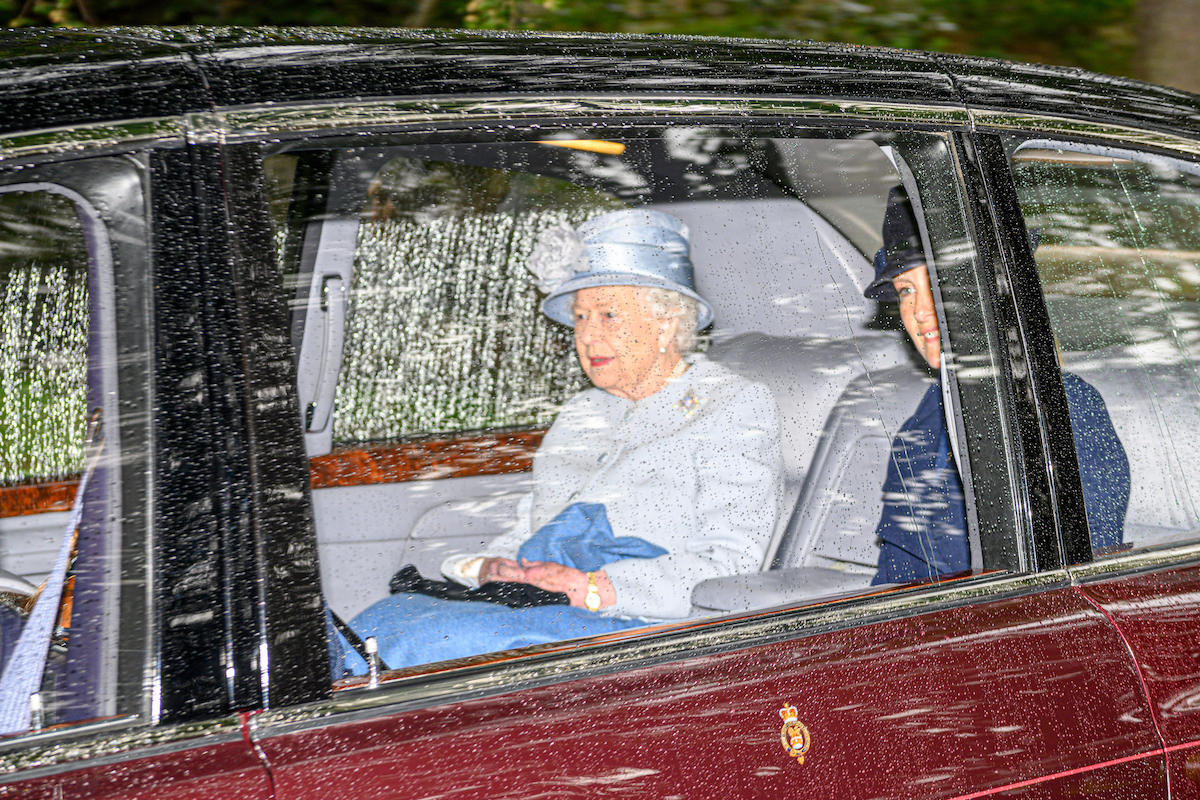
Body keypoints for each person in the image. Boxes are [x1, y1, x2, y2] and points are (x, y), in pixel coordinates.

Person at [343, 208, 784, 673]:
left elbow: (733, 560)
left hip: (644, 625)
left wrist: (592, 587)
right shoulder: (582, 412)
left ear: (667, 322)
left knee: (419, 646)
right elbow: (535, 527)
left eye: (609, 315)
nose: (587, 335)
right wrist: (495, 564)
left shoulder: (731, 405)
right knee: (376, 625)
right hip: (541, 605)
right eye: (579, 317)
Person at [864, 187, 1130, 585]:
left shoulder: (1065, 408)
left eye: (936, 283)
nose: (918, 311)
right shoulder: (920, 423)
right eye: (906, 290)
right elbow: (894, 582)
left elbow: (1072, 588)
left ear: (987, 288)